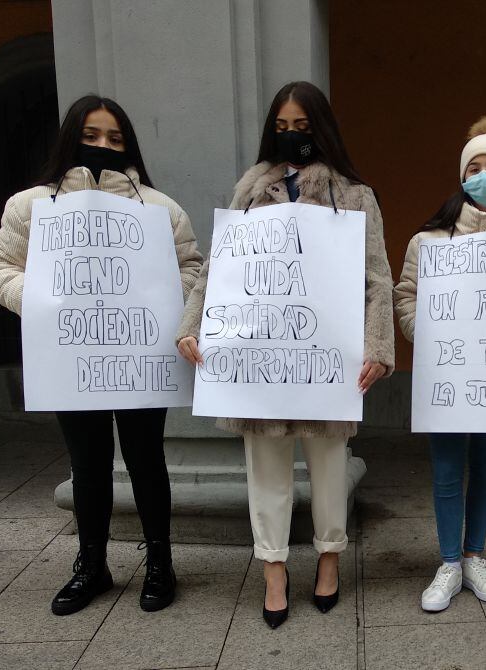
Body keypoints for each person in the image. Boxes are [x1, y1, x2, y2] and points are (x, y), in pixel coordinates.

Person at [176, 81, 395, 628]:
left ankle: (328, 560)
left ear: (321, 127)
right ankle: (273, 570)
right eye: (283, 125)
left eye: (302, 125)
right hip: (261, 360)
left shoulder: (354, 195)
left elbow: (377, 279)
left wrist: (377, 347)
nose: (292, 134)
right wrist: (192, 325)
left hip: (327, 361)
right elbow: (219, 268)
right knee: (265, 469)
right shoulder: (249, 190)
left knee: (328, 467)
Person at [0, 95, 203, 615]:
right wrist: (39, 302)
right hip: (72, 356)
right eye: (92, 135)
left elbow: (191, 270)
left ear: (129, 145)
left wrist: (169, 310)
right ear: (71, 138)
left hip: (138, 356)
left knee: (147, 460)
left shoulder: (159, 208)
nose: (102, 146)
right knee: (88, 464)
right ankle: (91, 565)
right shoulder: (32, 205)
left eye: (115, 138)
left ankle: (160, 564)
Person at [393, 115, 486, 612]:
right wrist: (429, 336)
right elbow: (407, 297)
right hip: (450, 375)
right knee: (444, 470)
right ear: (461, 177)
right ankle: (449, 562)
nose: (484, 176)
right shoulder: (429, 241)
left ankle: (476, 556)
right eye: (474, 167)